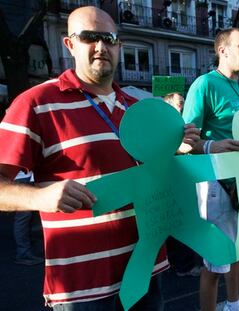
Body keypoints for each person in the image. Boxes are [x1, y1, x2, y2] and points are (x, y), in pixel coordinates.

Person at [0, 6, 199, 310]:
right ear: (69, 44)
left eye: (109, 38)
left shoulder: (139, 108)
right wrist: (40, 197)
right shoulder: (35, 103)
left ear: (119, 45)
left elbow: (153, 171)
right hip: (82, 288)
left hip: (146, 270)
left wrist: (178, 149)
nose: (101, 47)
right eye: (89, 37)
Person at [183, 28, 239, 311]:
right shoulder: (203, 85)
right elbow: (183, 141)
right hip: (216, 184)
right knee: (216, 261)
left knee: (237, 250)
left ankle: (233, 304)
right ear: (223, 50)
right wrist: (209, 146)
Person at [13, 171, 44, 266]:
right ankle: (23, 254)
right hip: (22, 179)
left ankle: (31, 252)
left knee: (31, 218)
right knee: (23, 218)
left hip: (27, 179)